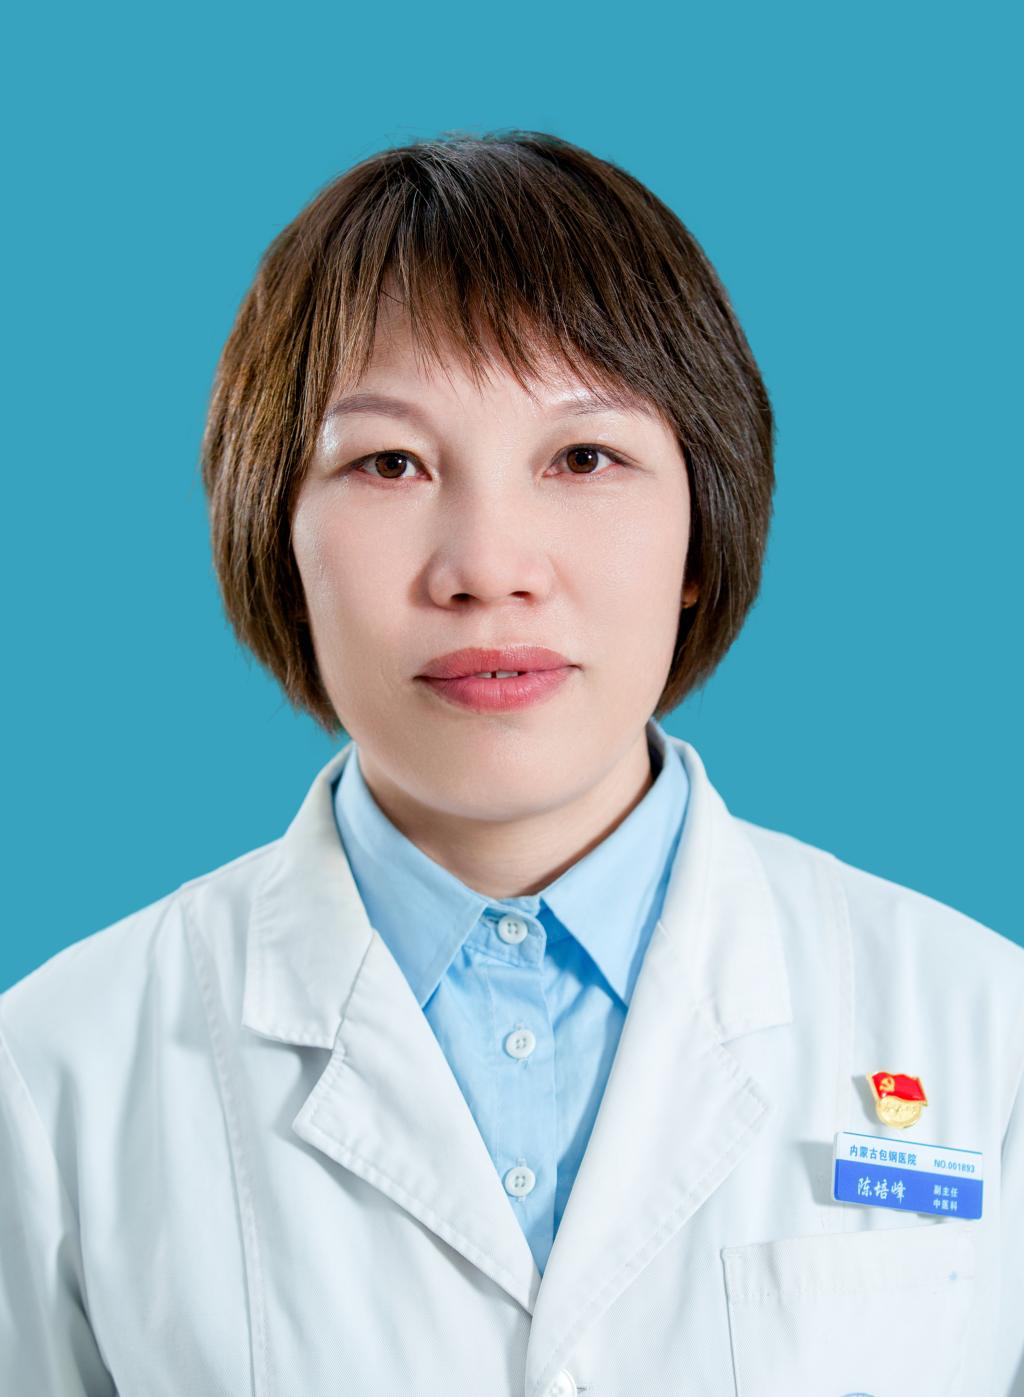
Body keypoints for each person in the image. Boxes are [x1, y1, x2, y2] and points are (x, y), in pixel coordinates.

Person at [1, 129, 1021, 1397]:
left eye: (583, 458)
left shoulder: (983, 1030)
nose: (487, 565)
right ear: (278, 540)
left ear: (700, 527)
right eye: (389, 463)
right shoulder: (53, 1072)